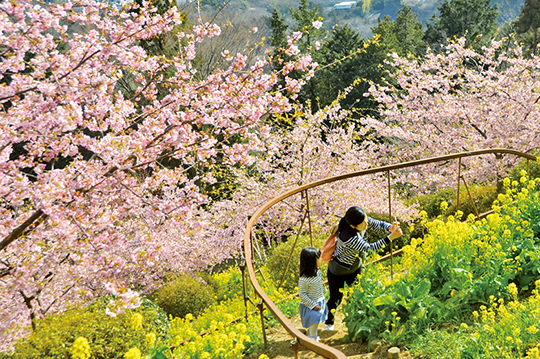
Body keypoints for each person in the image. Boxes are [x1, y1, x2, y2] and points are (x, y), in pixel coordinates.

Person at [324, 206, 402, 331]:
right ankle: (329, 321)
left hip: (355, 267)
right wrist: (390, 237)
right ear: (353, 226)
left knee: (356, 295)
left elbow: (377, 224)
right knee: (336, 297)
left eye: (366, 219)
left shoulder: (359, 220)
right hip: (338, 270)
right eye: (363, 223)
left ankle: (354, 321)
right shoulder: (347, 236)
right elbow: (370, 247)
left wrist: (389, 228)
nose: (367, 223)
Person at [299, 246, 328, 341]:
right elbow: (302, 295)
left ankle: (313, 335)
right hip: (311, 304)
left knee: (317, 320)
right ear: (311, 262)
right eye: (318, 258)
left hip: (319, 300)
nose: (321, 259)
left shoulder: (317, 272)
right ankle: (313, 337)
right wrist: (312, 305)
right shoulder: (304, 279)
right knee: (314, 320)